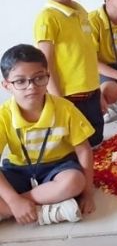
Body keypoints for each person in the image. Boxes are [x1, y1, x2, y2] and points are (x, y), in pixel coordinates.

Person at [0, 45, 95, 225]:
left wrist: (88, 193)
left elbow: (83, 150)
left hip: (57, 167)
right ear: (7, 85)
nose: (31, 87)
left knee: (75, 181)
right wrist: (13, 200)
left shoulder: (65, 108)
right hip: (18, 169)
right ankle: (44, 213)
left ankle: (17, 209)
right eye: (20, 81)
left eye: (39, 78)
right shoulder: (3, 115)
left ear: (47, 77)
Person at [34, 0, 103, 146]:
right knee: (75, 144)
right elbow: (45, 63)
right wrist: (57, 100)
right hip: (69, 95)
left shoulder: (80, 10)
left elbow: (87, 53)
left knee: (96, 139)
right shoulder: (48, 17)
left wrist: (98, 91)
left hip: (91, 89)